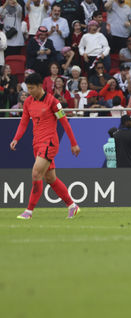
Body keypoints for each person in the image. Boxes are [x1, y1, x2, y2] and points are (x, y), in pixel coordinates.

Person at [9, 72, 81, 220]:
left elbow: (64, 122)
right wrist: (16, 138)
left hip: (50, 143)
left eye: (32, 88)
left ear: (40, 86)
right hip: (37, 143)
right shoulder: (28, 102)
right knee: (50, 178)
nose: (30, 91)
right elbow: (23, 122)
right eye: (28, 88)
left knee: (36, 173)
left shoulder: (53, 102)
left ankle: (28, 212)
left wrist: (73, 143)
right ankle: (72, 206)